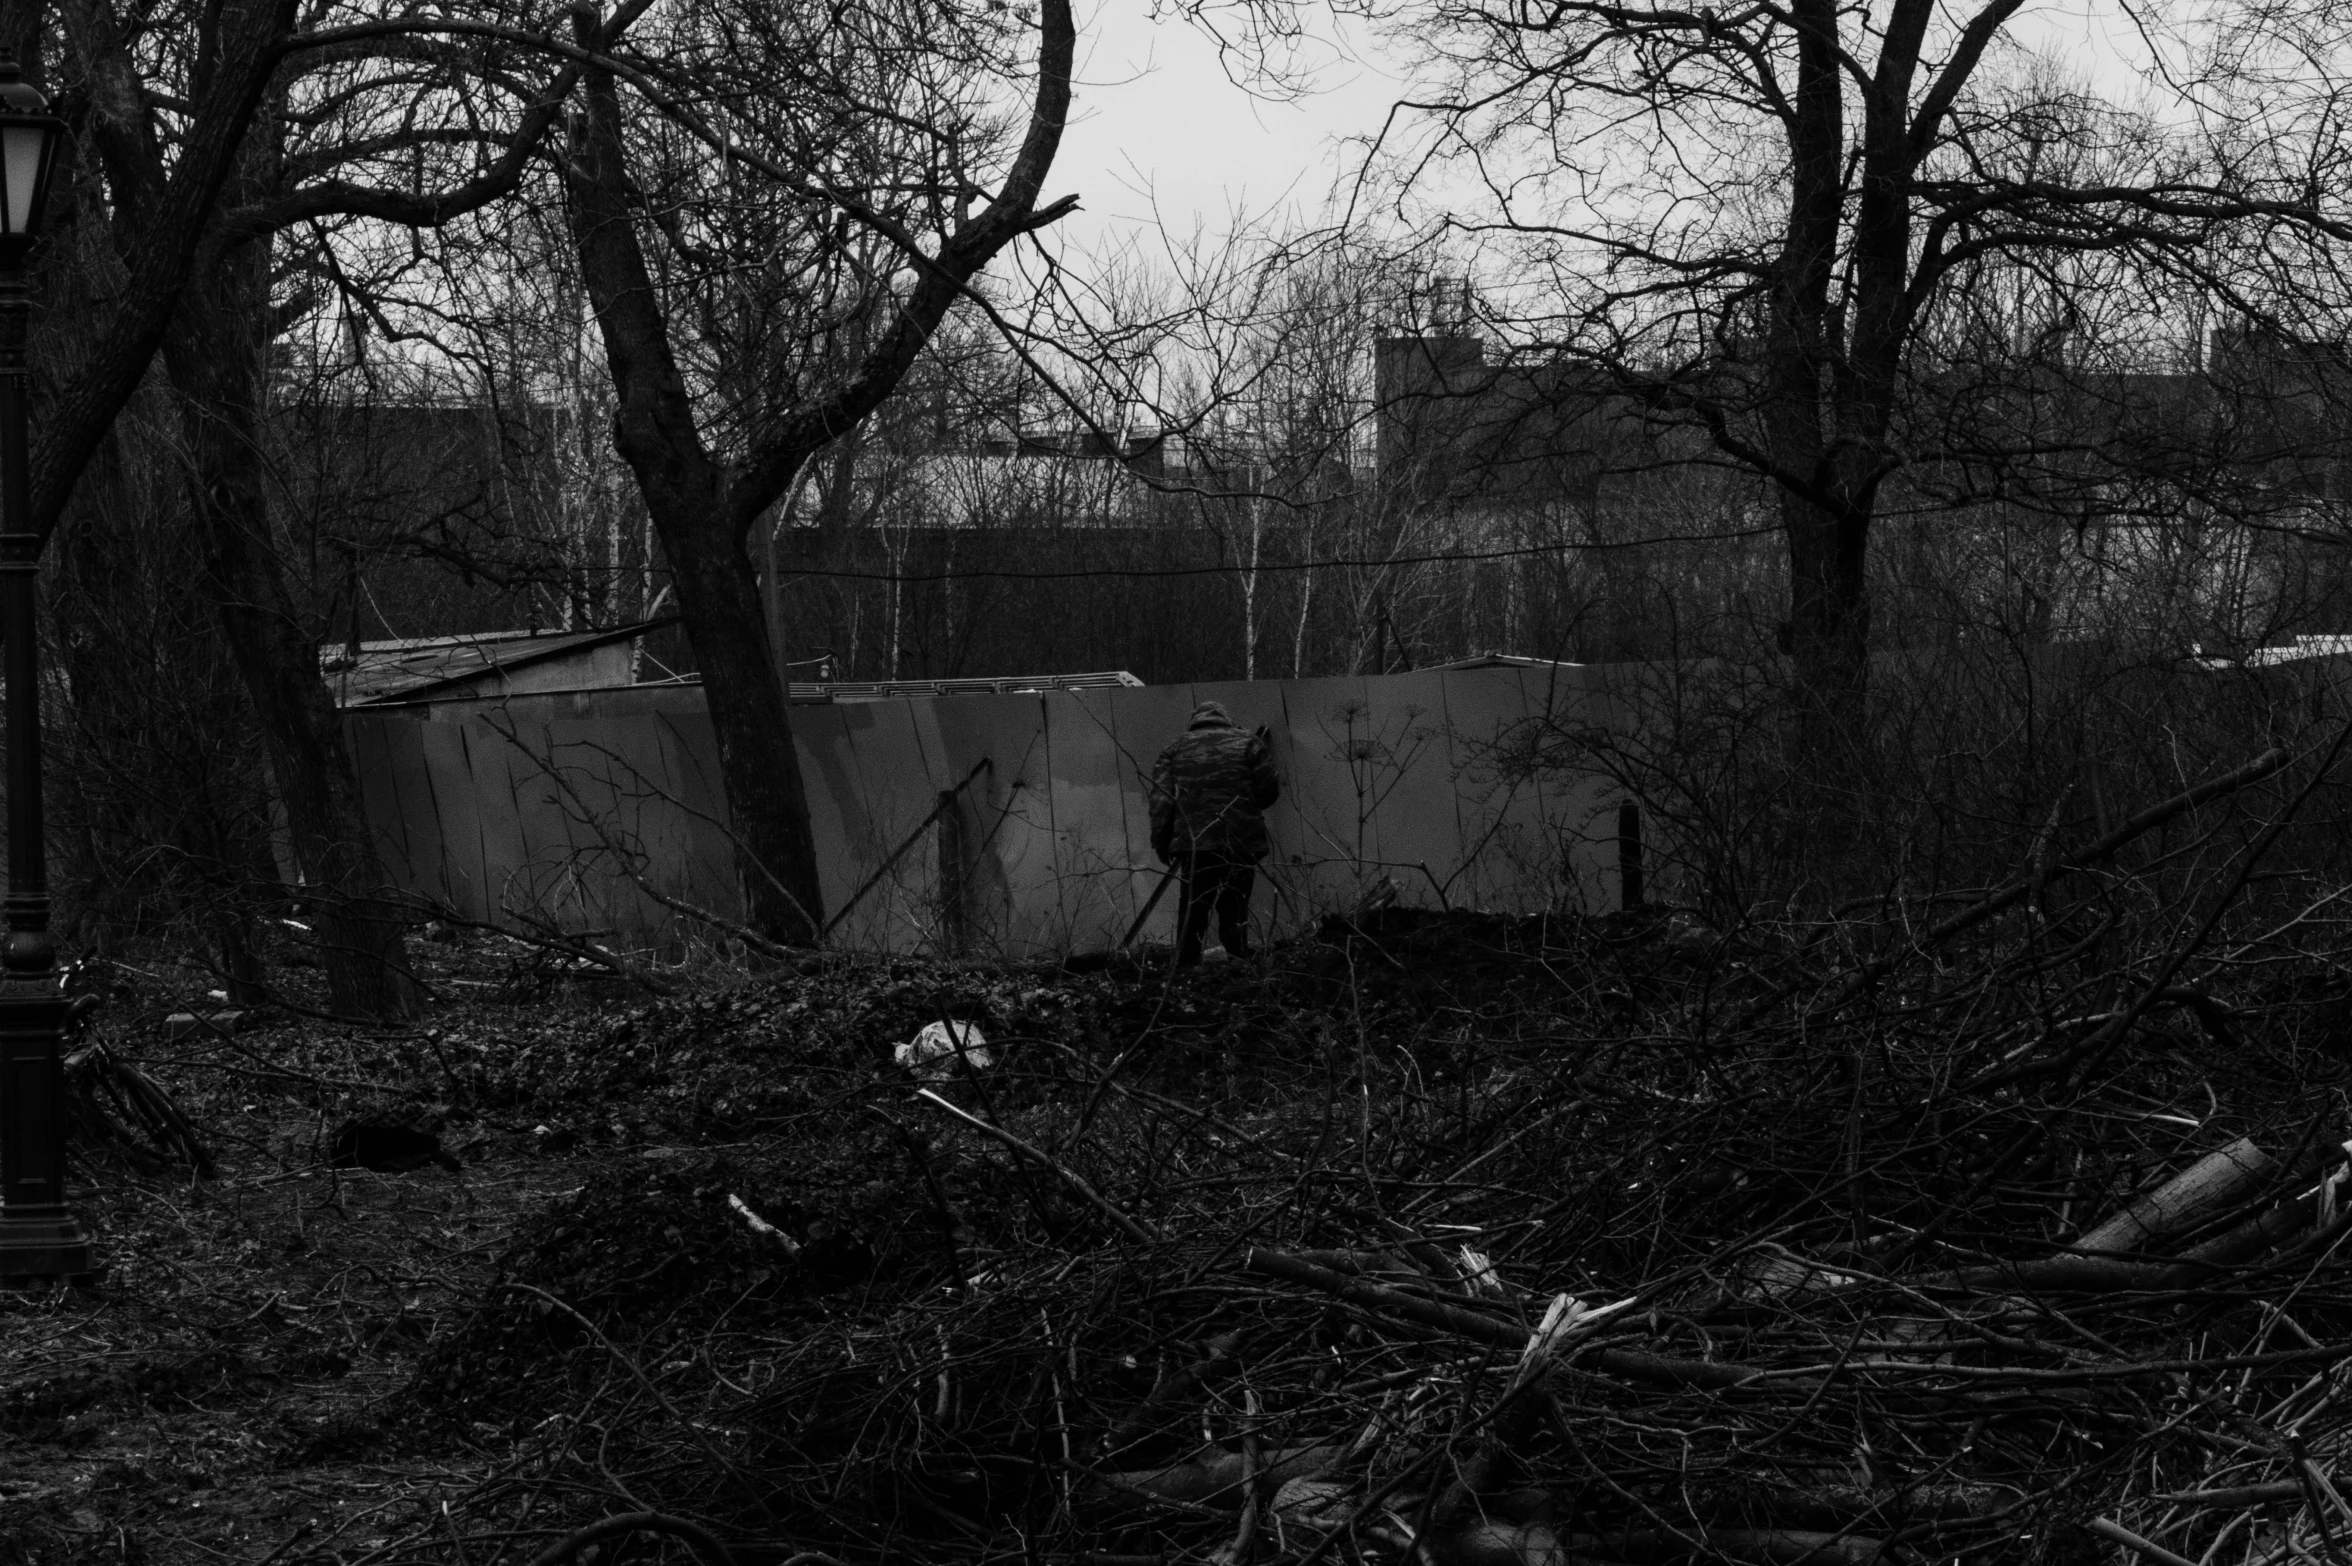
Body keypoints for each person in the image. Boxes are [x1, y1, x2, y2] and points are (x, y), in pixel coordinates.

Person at [1149, 701, 1281, 967]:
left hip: (1195, 842)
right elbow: (1269, 788)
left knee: (1194, 903)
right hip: (1241, 839)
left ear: (1195, 720)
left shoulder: (1175, 748)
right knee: (1236, 897)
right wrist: (1245, 809)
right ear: (1225, 718)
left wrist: (1162, 843)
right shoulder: (1248, 743)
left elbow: (1161, 802)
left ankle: (1186, 964)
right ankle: (1238, 955)